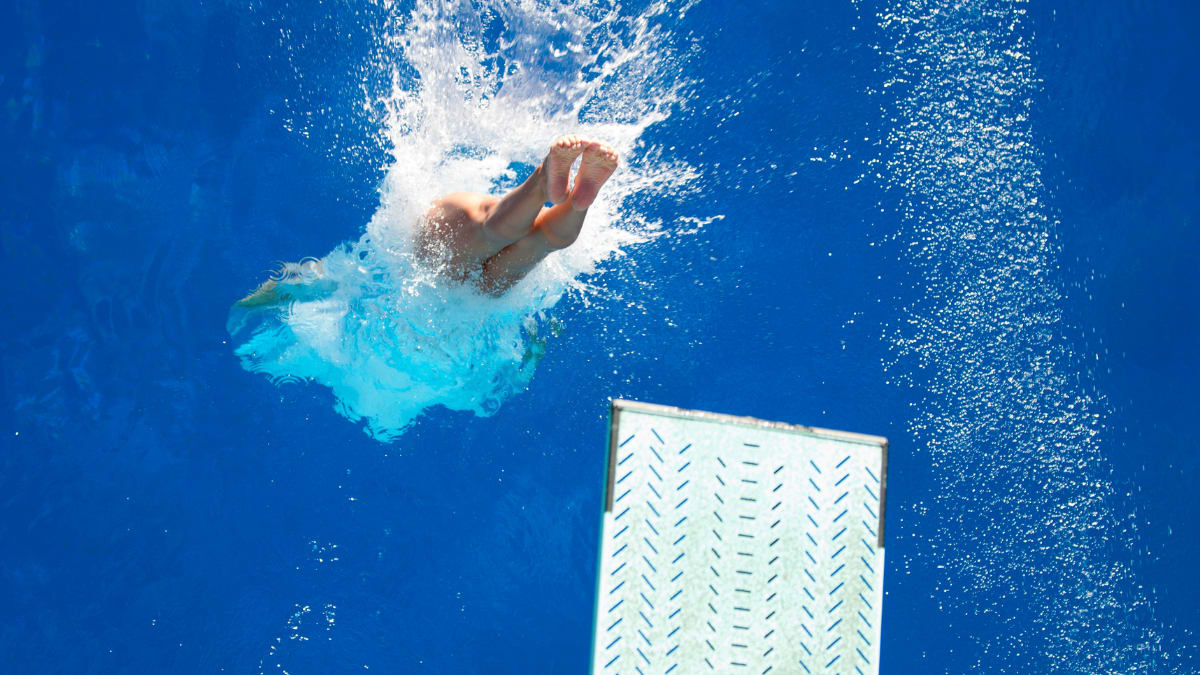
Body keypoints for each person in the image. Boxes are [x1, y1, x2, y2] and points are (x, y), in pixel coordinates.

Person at [235, 135, 619, 308]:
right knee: (502, 231)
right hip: (455, 284)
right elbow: (320, 275)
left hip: (463, 299)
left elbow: (319, 279)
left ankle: (559, 192)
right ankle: (561, 194)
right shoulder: (407, 227)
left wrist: (260, 298)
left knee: (532, 241)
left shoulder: (381, 278)